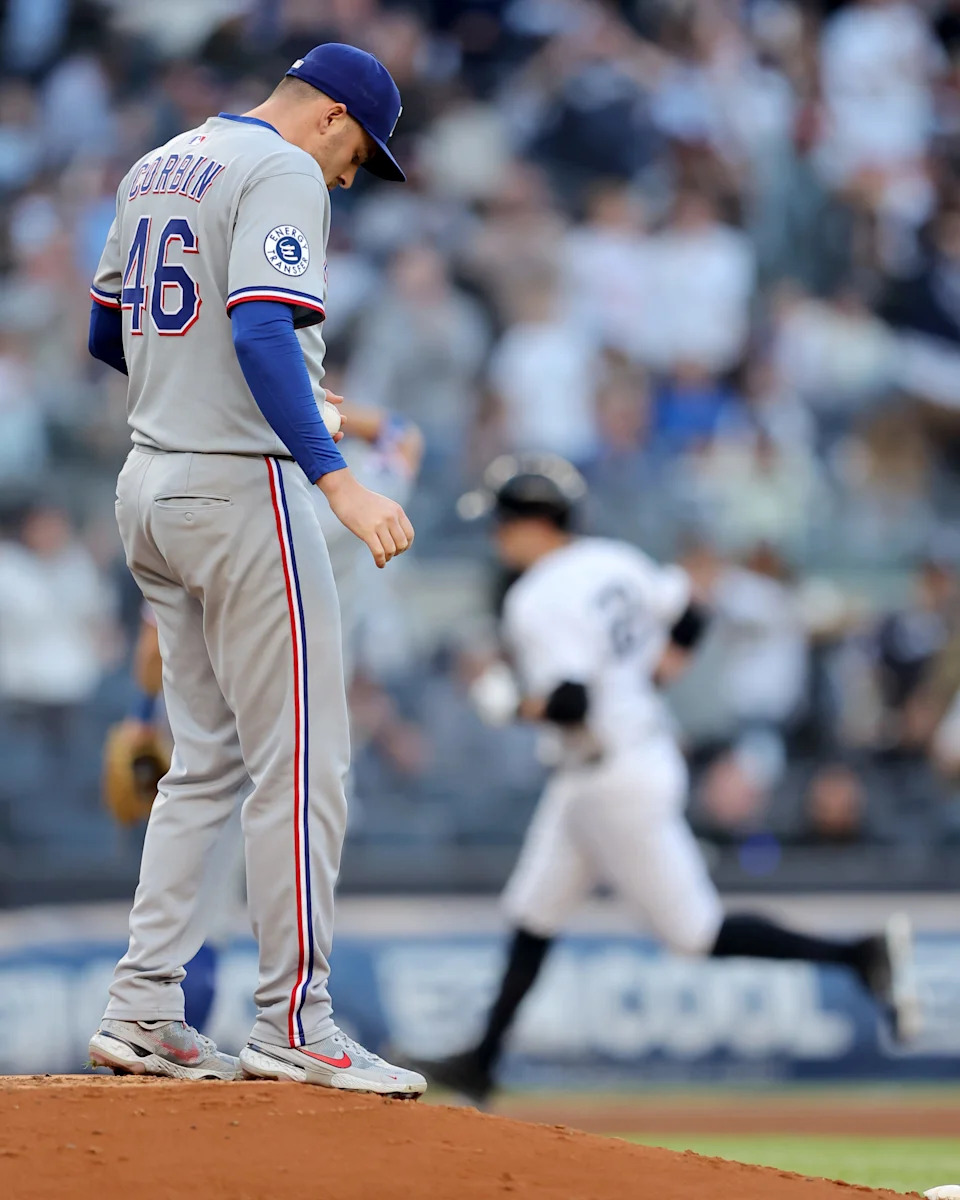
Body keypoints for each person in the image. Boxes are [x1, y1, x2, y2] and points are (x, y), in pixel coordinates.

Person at [85, 41, 425, 1096]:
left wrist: (208, 392)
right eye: (359, 154)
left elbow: (109, 332)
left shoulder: (160, 161)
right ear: (331, 117)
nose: (350, 178)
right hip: (242, 488)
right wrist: (339, 480)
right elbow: (263, 327)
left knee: (206, 761)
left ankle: (146, 1005)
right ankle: (295, 1019)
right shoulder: (282, 167)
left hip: (150, 484)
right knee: (305, 758)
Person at [410, 454, 919, 1105]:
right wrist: (650, 679)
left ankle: (858, 954)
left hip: (613, 779)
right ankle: (482, 1063)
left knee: (693, 933)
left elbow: (570, 703)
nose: (497, 535)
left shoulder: (536, 596)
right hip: (614, 765)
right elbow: (691, 616)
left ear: (537, 521)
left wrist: (511, 704)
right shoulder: (615, 559)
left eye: (505, 520)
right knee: (533, 911)